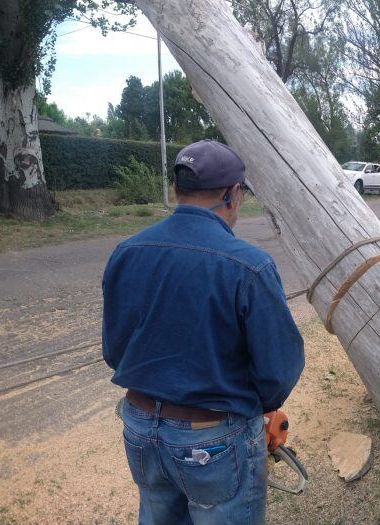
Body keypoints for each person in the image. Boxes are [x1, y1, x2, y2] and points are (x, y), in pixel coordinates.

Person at [102, 140, 305, 524]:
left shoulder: (127, 252)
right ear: (232, 194)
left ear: (176, 190)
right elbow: (279, 370)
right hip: (213, 438)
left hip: (141, 429)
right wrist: (252, 406)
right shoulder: (250, 266)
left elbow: (115, 351)